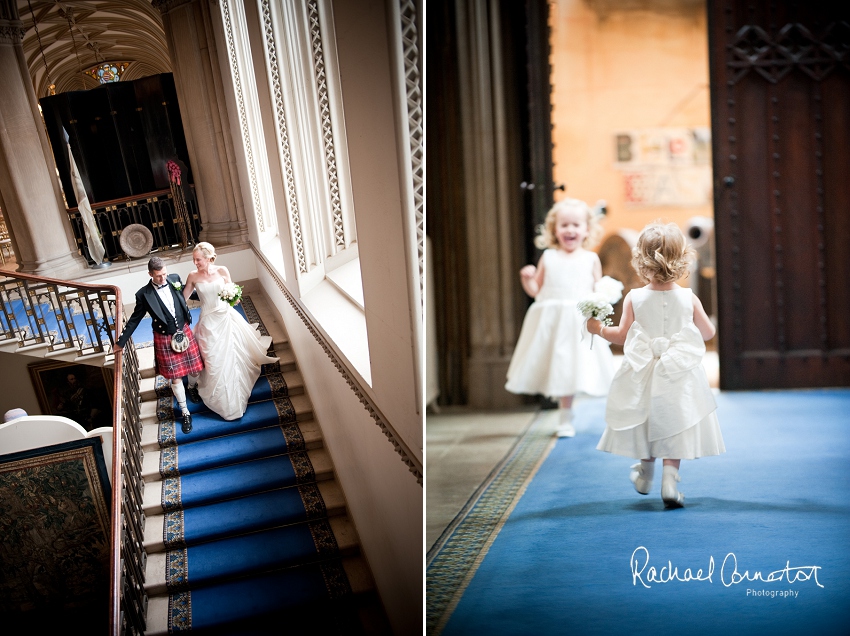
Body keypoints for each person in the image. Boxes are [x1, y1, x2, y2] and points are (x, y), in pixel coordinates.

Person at [588, 221, 725, 508]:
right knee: (674, 422)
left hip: (645, 370)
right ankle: (669, 481)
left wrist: (598, 329)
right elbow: (709, 333)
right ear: (682, 259)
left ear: (640, 260)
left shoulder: (634, 297)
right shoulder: (689, 298)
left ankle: (645, 473)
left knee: (646, 416)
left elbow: (622, 335)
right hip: (678, 373)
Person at [505, 198, 615, 437]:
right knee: (558, 367)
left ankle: (567, 415)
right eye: (564, 225)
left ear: (587, 229)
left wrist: (601, 304)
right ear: (555, 229)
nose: (570, 230)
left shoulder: (590, 259)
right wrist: (527, 279)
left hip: (577, 322)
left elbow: (599, 290)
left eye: (576, 225)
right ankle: (564, 415)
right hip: (553, 322)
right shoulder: (549, 257)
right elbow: (537, 290)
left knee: (573, 367)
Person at [182, 242, 277, 421]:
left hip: (225, 318)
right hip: (208, 322)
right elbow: (183, 299)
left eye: (198, 259)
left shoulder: (222, 271)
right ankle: (214, 395)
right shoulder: (193, 276)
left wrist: (234, 298)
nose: (195, 263)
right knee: (213, 359)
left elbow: (233, 293)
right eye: (194, 260)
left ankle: (234, 399)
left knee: (231, 356)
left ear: (209, 257)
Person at [115, 256, 203, 434]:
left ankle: (192, 387)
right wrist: (120, 342)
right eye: (158, 276)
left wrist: (214, 294)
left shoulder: (175, 279)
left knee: (195, 369)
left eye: (164, 274)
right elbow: (135, 319)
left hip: (184, 330)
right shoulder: (143, 294)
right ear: (150, 274)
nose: (163, 279)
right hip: (164, 336)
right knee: (176, 377)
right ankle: (185, 412)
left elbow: (189, 294)